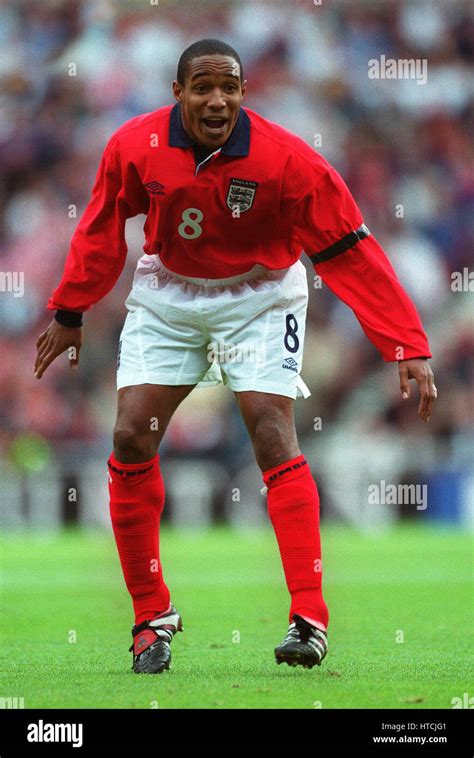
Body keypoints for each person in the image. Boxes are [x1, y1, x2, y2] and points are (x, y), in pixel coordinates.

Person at [34, 39, 437, 675]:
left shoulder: (288, 161)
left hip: (260, 296)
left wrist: (405, 343)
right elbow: (103, 222)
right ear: (177, 94)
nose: (216, 99)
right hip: (169, 294)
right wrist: (70, 308)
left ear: (244, 93)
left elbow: (348, 248)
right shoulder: (135, 145)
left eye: (229, 87)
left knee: (272, 430)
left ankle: (309, 618)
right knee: (130, 434)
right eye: (202, 87)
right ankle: (151, 616)